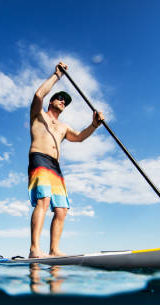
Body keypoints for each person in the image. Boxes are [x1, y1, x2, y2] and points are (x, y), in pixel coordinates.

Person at [28, 62, 105, 258]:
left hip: (55, 166)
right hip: (39, 159)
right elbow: (38, 95)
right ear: (51, 100)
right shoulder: (38, 115)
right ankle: (35, 248)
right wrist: (57, 75)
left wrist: (94, 125)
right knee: (43, 200)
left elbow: (79, 137)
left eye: (65, 101)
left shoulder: (63, 126)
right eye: (60, 98)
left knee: (61, 209)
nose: (63, 101)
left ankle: (54, 250)